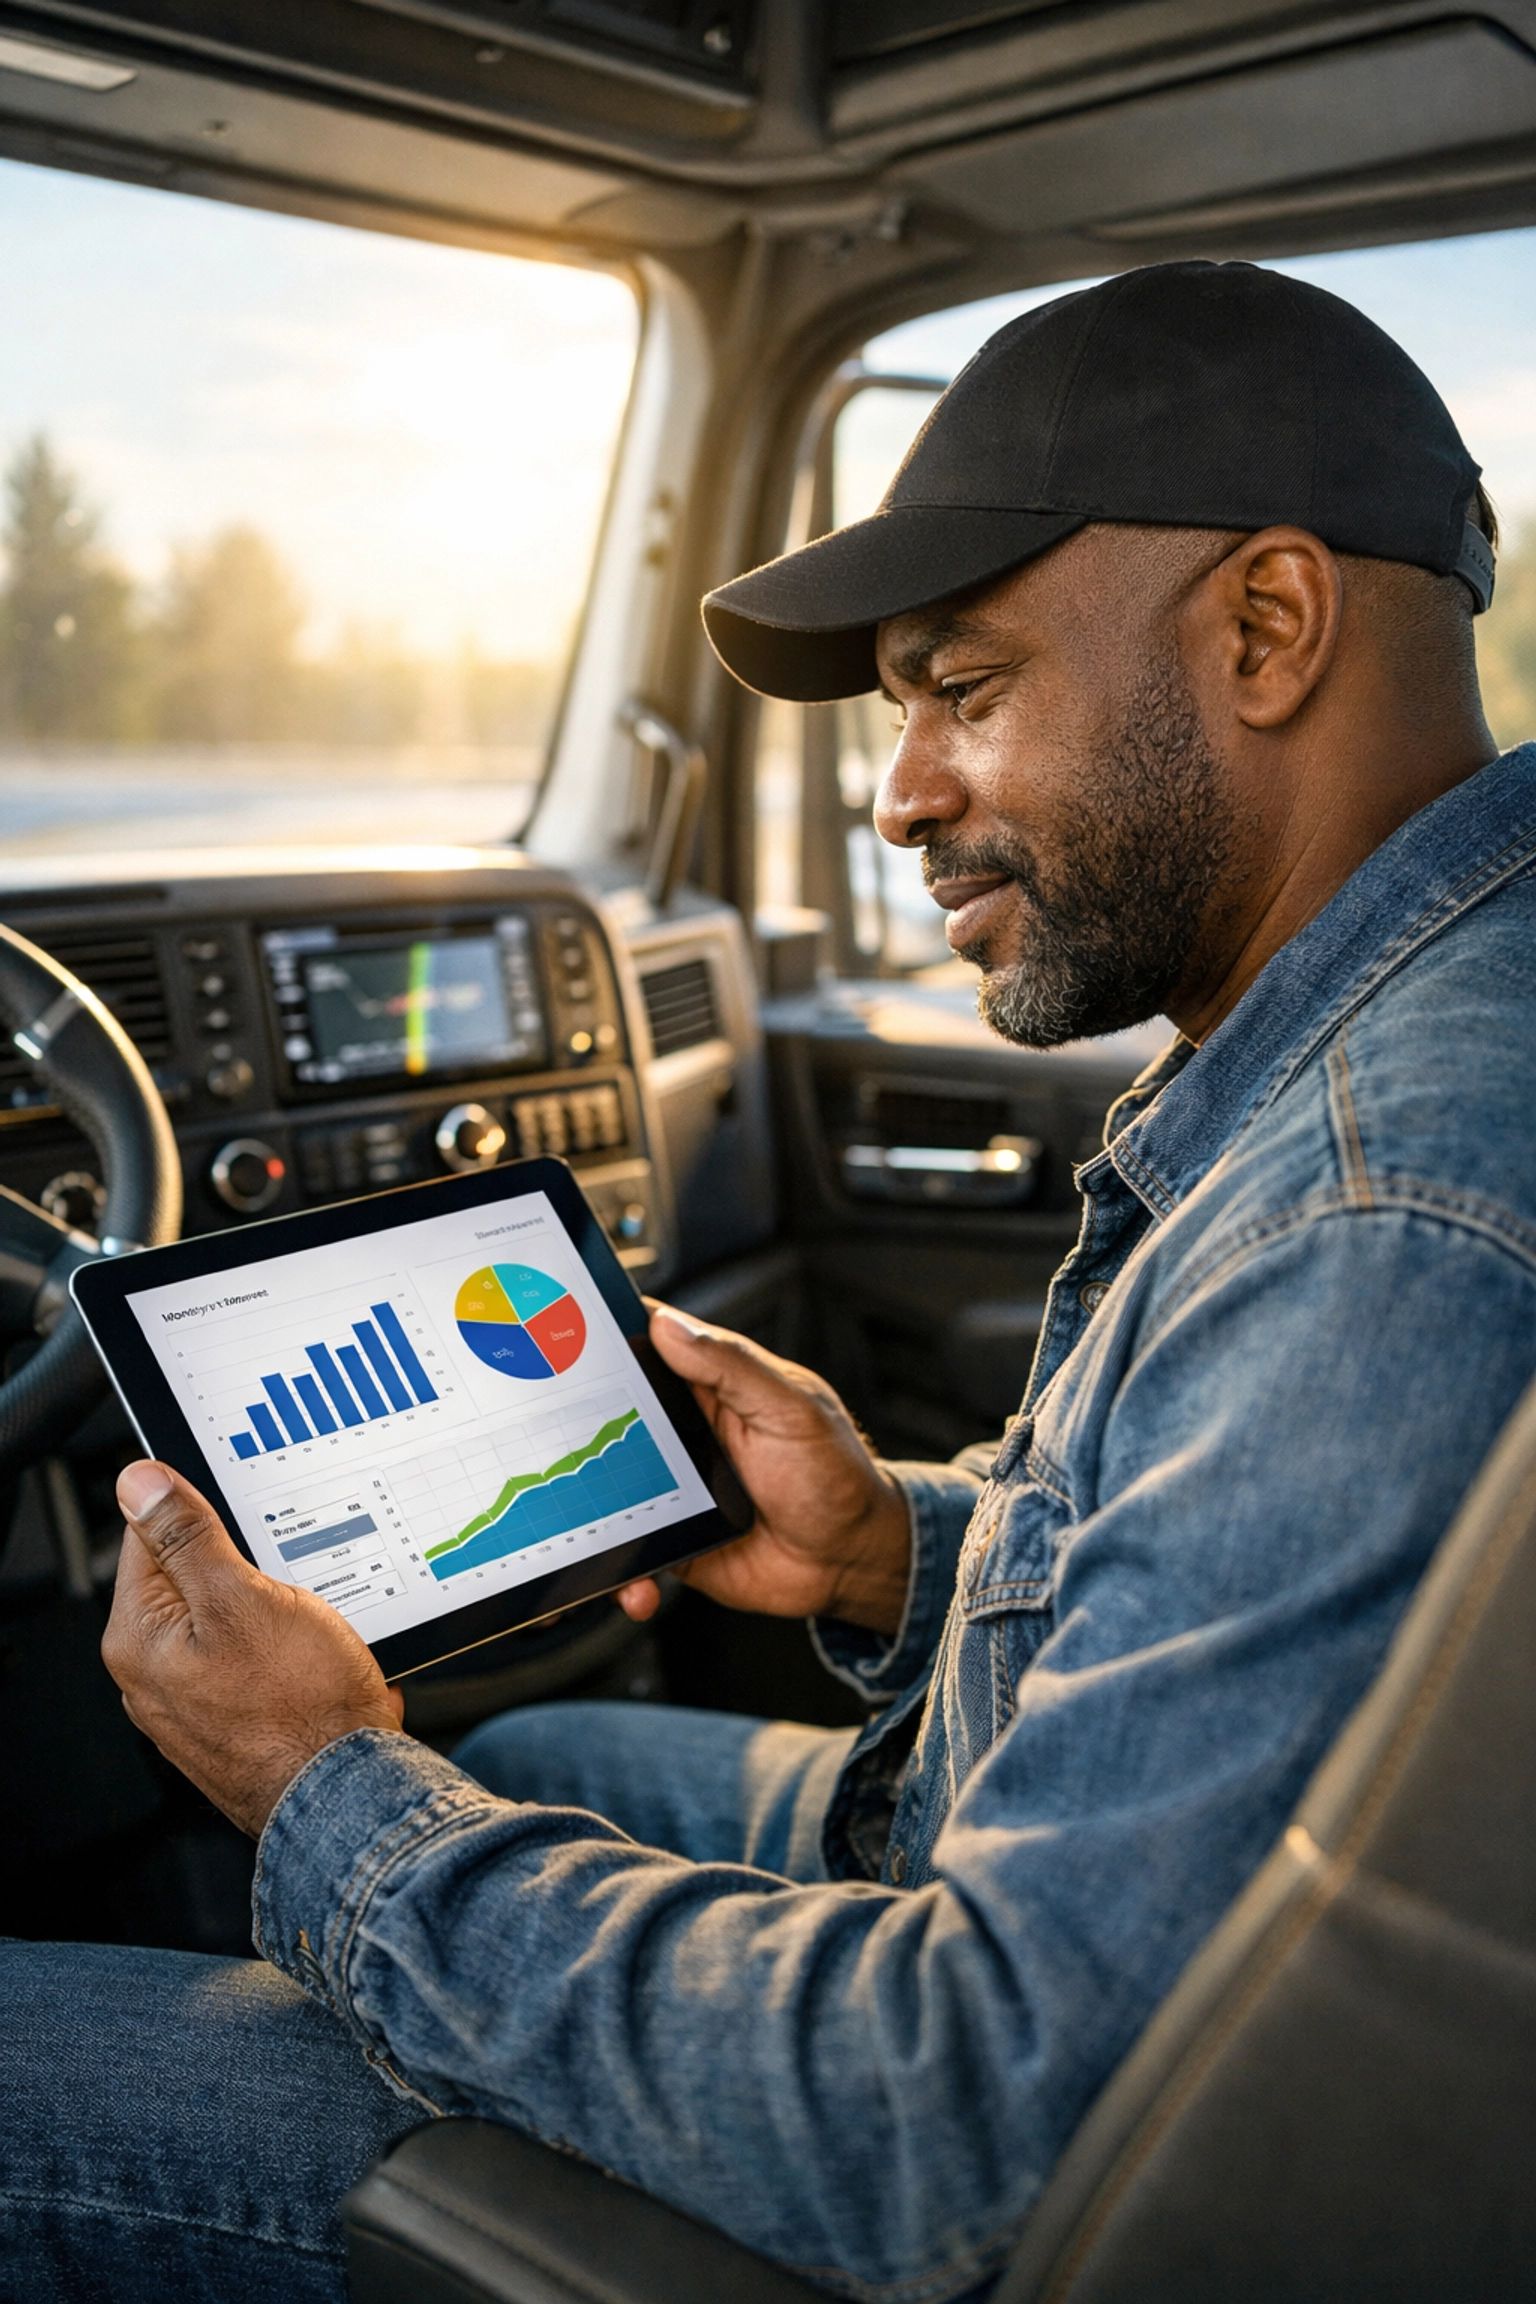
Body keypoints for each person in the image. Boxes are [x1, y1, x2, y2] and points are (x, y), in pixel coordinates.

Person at [3, 260, 1530, 2304]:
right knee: (414, 1799)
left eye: (963, 687)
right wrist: (896, 1551)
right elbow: (1292, 1644)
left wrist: (321, 1787)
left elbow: (969, 2119)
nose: (899, 790)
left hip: (994, 2171)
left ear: (1267, 627)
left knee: (290, 1850)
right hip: (1100, 1945)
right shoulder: (1426, 1031)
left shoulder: (1372, 1211)